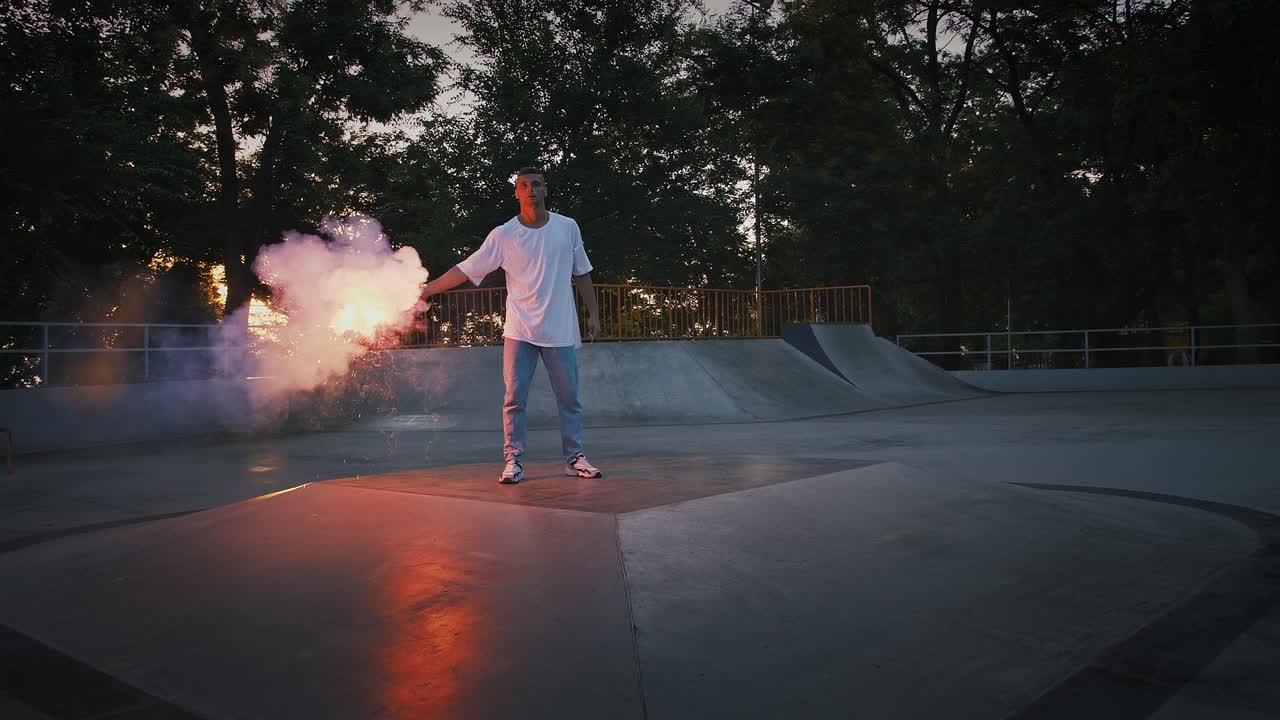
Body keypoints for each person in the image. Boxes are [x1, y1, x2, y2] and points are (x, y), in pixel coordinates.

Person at [420, 166, 603, 484]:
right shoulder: (504, 235)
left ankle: (574, 458)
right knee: (514, 398)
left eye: (536, 184)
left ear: (545, 190)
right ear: (517, 193)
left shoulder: (567, 227)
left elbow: (582, 272)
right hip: (520, 331)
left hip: (559, 329)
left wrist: (594, 315)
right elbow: (466, 268)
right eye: (524, 185)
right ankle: (513, 460)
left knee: (569, 398)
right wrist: (427, 289)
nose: (531, 189)